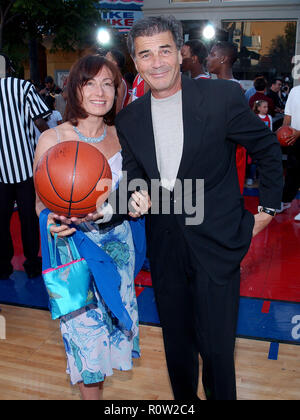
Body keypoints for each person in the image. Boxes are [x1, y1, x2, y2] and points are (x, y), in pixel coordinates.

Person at [114, 16, 283, 400]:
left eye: (164, 50)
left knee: (219, 352)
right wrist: (125, 200)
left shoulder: (221, 97)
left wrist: (269, 211)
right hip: (166, 247)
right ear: (136, 63)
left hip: (218, 245)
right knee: (177, 348)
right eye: (145, 54)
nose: (156, 62)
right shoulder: (129, 118)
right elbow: (137, 179)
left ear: (180, 52)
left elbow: (267, 149)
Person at [33, 54, 148, 400]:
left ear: (118, 90)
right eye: (89, 82)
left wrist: (141, 200)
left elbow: (138, 186)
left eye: (108, 83)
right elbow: (40, 202)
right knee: (87, 347)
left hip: (118, 249)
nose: (99, 91)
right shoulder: (54, 139)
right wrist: (50, 219)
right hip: (75, 250)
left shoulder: (123, 135)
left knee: (112, 339)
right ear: (74, 89)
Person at [0, 57, 50, 280]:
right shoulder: (24, 87)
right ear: (10, 68)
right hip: (26, 167)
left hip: (0, 170)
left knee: (1, 220)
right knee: (29, 218)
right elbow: (41, 121)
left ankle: (3, 266)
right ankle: (32, 264)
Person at [206, 41, 246, 194]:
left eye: (212, 54)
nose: (208, 58)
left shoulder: (235, 89)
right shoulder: (215, 86)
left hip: (231, 156)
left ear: (223, 59)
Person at [276, 85, 300, 221]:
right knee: (292, 171)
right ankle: (285, 200)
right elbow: (288, 116)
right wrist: (283, 131)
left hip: (298, 134)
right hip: (293, 138)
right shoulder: (294, 91)